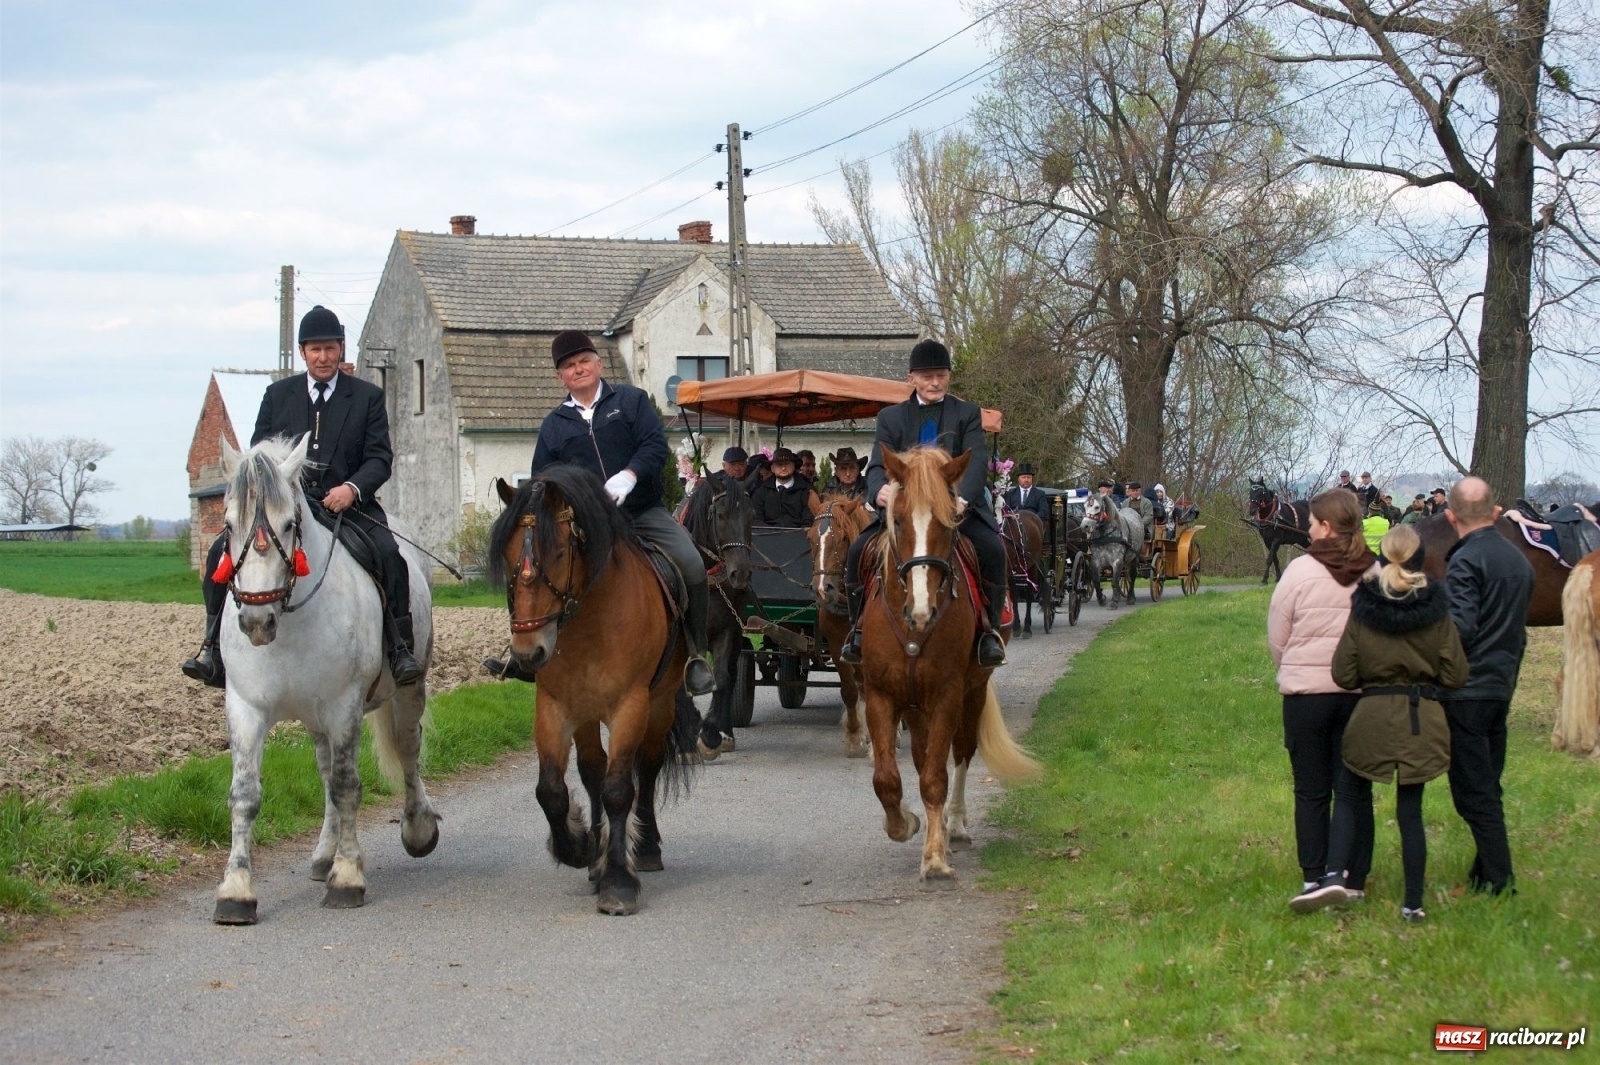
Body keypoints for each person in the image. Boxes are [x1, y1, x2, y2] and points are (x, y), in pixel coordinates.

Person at [181, 306, 423, 688]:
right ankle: (211, 648)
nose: (323, 357)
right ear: (302, 352)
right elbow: (258, 457)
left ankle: (400, 649)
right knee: (217, 553)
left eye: (330, 349)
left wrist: (352, 489)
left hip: (348, 506)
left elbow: (380, 458)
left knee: (389, 555)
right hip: (284, 507)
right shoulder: (277, 396)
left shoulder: (367, 398)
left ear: (341, 350)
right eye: (315, 350)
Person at [486, 331, 714, 695]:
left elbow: (655, 446)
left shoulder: (632, 401)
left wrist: (629, 475)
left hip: (641, 511)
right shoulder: (554, 425)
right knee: (531, 564)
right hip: (584, 524)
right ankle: (524, 653)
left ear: (598, 364)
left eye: (583, 361)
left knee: (691, 562)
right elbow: (543, 479)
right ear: (560, 377)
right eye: (568, 366)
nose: (578, 369)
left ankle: (695, 654)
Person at [1294, 524, 1468, 921]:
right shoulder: (1437, 613)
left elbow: (1343, 672)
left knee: (1352, 793)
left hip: (1371, 714)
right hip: (1419, 718)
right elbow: (1456, 673)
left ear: (1385, 554)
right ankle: (1412, 903)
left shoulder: (1364, 608)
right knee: (1411, 810)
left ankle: (1335, 873)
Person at [838, 338, 1008, 668]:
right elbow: (876, 465)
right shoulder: (890, 417)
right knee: (859, 551)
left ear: (948, 377)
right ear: (911, 378)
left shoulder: (967, 413)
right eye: (927, 376)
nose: (935, 382)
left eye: (941, 375)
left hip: (953, 510)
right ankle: (858, 629)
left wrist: (962, 499)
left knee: (993, 550)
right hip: (906, 512)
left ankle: (989, 631)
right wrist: (878, 492)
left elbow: (975, 462)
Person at [1268, 489, 1378, 910]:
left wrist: (1294, 668)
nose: (1308, 529)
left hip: (1306, 696)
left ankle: (1314, 876)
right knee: (1355, 789)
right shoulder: (1375, 572)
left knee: (1311, 790)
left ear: (1327, 526)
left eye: (1312, 523)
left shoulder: (1299, 571)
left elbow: (1279, 634)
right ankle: (1353, 876)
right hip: (1359, 695)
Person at [1441, 476, 1534, 896]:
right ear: (1496, 514)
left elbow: (1460, 628)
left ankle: (1500, 880)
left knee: (1471, 790)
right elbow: (1519, 631)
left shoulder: (1464, 561)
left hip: (1467, 689)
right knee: (1487, 782)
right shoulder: (1520, 561)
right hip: (1502, 683)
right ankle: (1483, 874)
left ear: (1450, 516)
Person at [750, 447, 819, 528]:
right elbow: (755, 520)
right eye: (779, 465)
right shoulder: (761, 492)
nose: (783, 468)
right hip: (768, 537)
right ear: (772, 468)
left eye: (787, 464)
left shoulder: (807, 491)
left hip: (799, 537)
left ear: (794, 466)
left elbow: (810, 521)